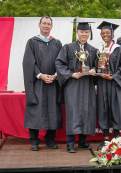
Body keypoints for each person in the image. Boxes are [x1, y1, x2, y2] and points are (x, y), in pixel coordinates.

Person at [55, 21, 97, 153]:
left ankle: (83, 141)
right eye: (81, 32)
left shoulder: (93, 50)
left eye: (86, 32)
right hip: (73, 85)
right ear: (77, 33)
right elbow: (59, 64)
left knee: (86, 111)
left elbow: (99, 66)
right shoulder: (67, 48)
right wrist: (72, 74)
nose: (84, 34)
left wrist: (94, 70)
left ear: (89, 33)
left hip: (87, 85)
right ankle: (70, 142)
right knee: (73, 111)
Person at [22, 16, 62, 151]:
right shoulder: (32, 42)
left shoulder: (57, 43)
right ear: (39, 25)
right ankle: (34, 140)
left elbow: (61, 62)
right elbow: (28, 62)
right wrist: (40, 75)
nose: (46, 26)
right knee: (35, 110)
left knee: (53, 110)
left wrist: (56, 75)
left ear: (51, 26)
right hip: (37, 83)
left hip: (53, 82)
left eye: (48, 24)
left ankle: (50, 139)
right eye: (44, 23)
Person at [96, 21, 121, 142]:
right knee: (103, 109)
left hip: (114, 84)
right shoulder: (98, 50)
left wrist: (114, 76)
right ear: (100, 35)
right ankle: (105, 137)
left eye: (108, 32)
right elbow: (95, 66)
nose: (105, 34)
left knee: (115, 108)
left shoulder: (119, 49)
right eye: (103, 33)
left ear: (112, 34)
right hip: (102, 83)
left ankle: (115, 137)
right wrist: (96, 73)